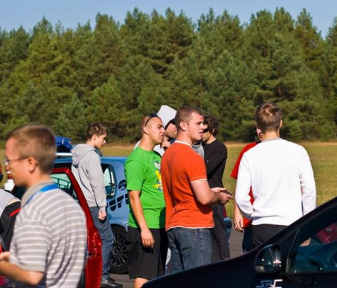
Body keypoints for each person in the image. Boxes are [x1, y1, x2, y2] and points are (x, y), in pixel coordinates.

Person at [0, 125, 87, 287]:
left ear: (31, 163)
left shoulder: (33, 210)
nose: (7, 167)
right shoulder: (73, 207)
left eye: (10, 160)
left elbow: (32, 276)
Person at [161, 106, 232, 273]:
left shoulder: (168, 155)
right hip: (194, 226)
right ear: (183, 126)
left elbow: (184, 187)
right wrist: (219, 197)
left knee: (179, 281)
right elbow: (205, 198)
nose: (203, 127)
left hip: (174, 225)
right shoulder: (192, 156)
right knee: (197, 279)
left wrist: (210, 190)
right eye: (198, 123)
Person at [235, 102, 317, 247]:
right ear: (281, 123)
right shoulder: (298, 151)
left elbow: (241, 197)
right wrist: (307, 221)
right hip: (292, 222)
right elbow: (309, 191)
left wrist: (253, 215)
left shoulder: (249, 155)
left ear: (258, 126)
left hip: (262, 224)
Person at [72, 122, 122, 288]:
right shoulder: (92, 156)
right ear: (94, 137)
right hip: (94, 205)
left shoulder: (76, 156)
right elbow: (97, 184)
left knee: (89, 241)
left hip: (82, 204)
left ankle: (91, 274)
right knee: (108, 238)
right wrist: (102, 207)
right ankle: (103, 276)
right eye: (103, 138)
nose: (105, 142)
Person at [125, 114, 167, 288]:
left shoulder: (156, 156)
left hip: (160, 223)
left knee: (157, 275)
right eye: (159, 127)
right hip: (146, 226)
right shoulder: (136, 159)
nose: (163, 131)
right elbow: (134, 196)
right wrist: (144, 229)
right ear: (146, 130)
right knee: (144, 274)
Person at [201, 115, 230, 262]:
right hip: (201, 194)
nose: (201, 133)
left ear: (212, 130)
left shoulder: (219, 148)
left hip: (215, 194)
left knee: (218, 233)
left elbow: (206, 169)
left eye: (204, 130)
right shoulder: (198, 146)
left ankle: (223, 262)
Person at [230, 130, 263, 253]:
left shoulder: (287, 150)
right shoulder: (248, 150)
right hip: (251, 219)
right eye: (257, 127)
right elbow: (240, 184)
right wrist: (237, 211)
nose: (260, 131)